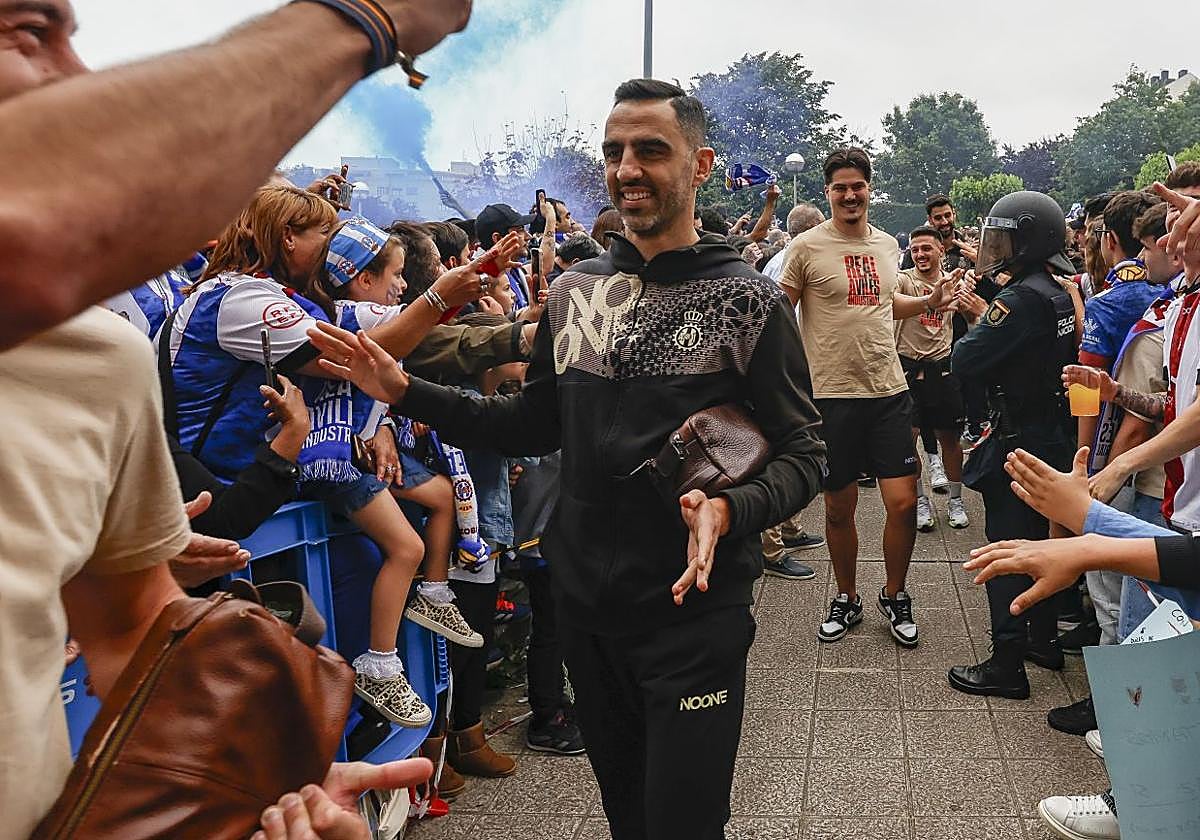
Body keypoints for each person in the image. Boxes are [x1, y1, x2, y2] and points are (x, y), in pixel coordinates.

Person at [307, 78, 827, 840]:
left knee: (683, 824)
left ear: (701, 164)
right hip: (588, 612)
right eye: (615, 151)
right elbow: (529, 421)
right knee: (627, 818)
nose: (628, 168)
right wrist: (404, 389)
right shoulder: (575, 291)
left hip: (694, 617)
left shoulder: (746, 299)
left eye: (652, 150)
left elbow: (805, 453)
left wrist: (729, 506)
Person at [0, 0, 475, 835]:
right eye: (30, 32)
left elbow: (134, 638)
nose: (80, 83)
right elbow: (340, 359)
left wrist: (255, 782)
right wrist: (365, 20)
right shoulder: (230, 300)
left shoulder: (93, 361)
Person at [780, 147, 954, 649]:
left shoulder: (886, 245)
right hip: (830, 396)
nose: (850, 195)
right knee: (839, 507)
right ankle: (848, 596)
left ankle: (895, 594)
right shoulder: (808, 247)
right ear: (828, 192)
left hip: (887, 389)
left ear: (868, 189)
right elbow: (782, 314)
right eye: (841, 188)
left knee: (902, 503)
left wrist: (929, 300)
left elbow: (885, 303)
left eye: (858, 186)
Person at [945, 190, 1080, 699]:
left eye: (1005, 239)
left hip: (1018, 438)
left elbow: (965, 358)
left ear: (1028, 240)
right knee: (1042, 542)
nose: (996, 248)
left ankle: (1006, 663)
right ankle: (1042, 641)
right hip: (1049, 432)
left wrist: (981, 315)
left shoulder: (1019, 299)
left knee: (1005, 548)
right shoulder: (1052, 289)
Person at [896, 226, 969, 532]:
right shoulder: (904, 280)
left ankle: (955, 499)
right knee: (907, 439)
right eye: (915, 250)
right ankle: (920, 500)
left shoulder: (955, 281)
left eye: (926, 248)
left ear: (941, 250)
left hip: (943, 371)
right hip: (908, 371)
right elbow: (890, 299)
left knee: (949, 439)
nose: (921, 255)